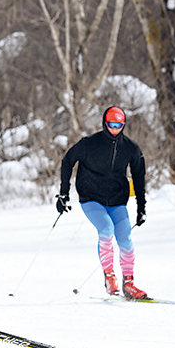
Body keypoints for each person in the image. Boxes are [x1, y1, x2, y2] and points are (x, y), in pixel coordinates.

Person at [57, 106, 148, 299]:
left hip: (117, 200)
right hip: (91, 198)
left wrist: (141, 208)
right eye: (111, 125)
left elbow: (139, 177)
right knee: (106, 230)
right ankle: (109, 276)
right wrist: (63, 194)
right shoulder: (89, 144)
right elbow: (67, 161)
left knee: (125, 239)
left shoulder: (130, 148)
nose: (114, 129)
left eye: (119, 125)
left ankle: (129, 283)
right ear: (104, 124)